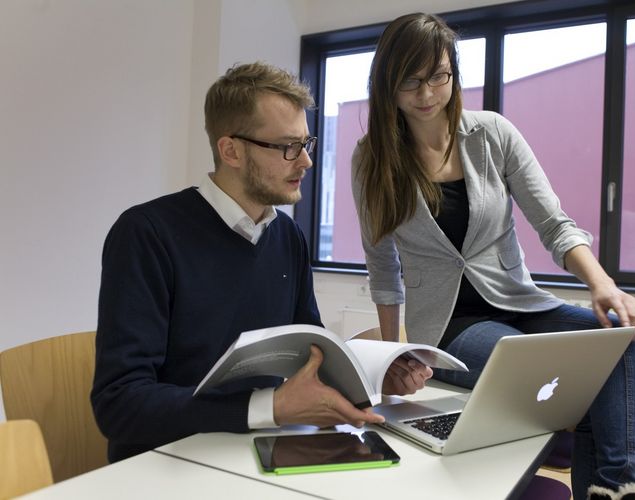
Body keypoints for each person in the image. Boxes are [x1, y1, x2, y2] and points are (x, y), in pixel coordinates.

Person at [351, 13, 635, 500]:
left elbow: (553, 223)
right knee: (526, 361)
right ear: (386, 83)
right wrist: (396, 355)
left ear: (453, 72)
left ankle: (623, 489)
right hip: (453, 326)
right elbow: (383, 268)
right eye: (411, 81)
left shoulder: (492, 134)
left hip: (523, 305)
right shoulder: (373, 158)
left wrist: (603, 285)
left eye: (438, 76)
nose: (428, 94)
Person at [91, 62, 430, 463]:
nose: (304, 162)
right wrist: (269, 407)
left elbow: (312, 354)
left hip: (256, 454)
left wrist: (373, 377)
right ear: (231, 150)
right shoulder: (146, 233)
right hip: (164, 465)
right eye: (288, 147)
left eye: (307, 143)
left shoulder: (287, 237)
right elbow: (120, 404)